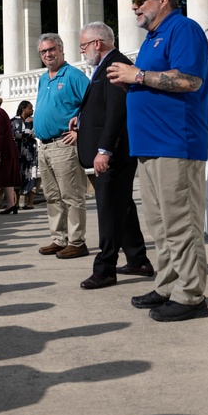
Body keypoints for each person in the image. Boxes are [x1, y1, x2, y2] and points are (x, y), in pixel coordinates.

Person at [107, 0, 208, 322]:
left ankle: (191, 295)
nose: (134, 8)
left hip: (175, 144)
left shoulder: (184, 29)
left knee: (181, 224)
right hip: (150, 147)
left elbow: (189, 80)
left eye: (140, 1)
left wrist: (137, 77)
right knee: (160, 225)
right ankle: (167, 285)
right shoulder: (153, 39)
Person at [69, 23, 153, 291]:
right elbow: (103, 107)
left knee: (108, 210)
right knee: (122, 207)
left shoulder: (115, 64)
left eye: (83, 45)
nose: (82, 51)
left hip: (113, 153)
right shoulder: (105, 65)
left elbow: (117, 112)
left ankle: (105, 268)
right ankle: (138, 260)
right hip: (111, 151)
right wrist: (80, 119)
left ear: (97, 43)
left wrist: (104, 150)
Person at [33, 34, 90, 258]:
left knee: (71, 195)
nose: (48, 54)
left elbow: (93, 105)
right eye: (44, 51)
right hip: (45, 146)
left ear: (62, 50)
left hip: (63, 144)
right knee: (52, 196)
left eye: (52, 49)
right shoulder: (43, 78)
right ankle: (59, 238)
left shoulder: (74, 75)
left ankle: (77, 241)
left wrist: (79, 131)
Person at [11, 100, 39, 209]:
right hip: (18, 150)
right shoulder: (13, 121)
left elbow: (37, 132)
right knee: (18, 175)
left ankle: (30, 202)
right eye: (30, 108)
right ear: (23, 109)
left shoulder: (33, 121)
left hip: (31, 151)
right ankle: (16, 202)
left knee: (32, 174)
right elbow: (14, 134)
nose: (32, 110)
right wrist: (27, 134)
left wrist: (35, 121)